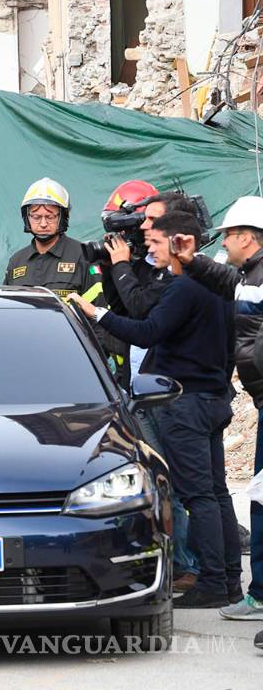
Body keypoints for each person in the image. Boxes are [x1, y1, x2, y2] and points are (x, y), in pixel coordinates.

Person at [70, 211, 241, 609]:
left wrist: (97, 314)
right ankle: (229, 579)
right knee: (216, 493)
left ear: (181, 241)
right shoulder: (218, 283)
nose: (150, 250)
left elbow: (147, 331)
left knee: (198, 496)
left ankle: (214, 583)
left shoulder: (185, 287)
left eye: (155, 243)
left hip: (184, 403)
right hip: (213, 397)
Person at [168, 196, 263, 621]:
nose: (223, 241)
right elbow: (226, 281)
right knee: (255, 498)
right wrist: (191, 261)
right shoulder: (249, 276)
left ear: (247, 236)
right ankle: (258, 591)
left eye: (227, 235)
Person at [3, 178, 103, 305]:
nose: (43, 224)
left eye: (50, 217)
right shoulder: (16, 261)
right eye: (36, 217)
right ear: (27, 218)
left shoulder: (84, 256)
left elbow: (98, 312)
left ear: (63, 217)